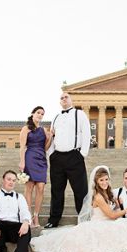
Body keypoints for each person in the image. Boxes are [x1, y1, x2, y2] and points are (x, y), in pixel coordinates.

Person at [30, 165, 127, 252]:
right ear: (96, 181)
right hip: (99, 224)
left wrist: (118, 205)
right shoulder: (98, 196)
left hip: (108, 223)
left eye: (106, 179)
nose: (104, 182)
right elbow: (111, 215)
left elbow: (113, 212)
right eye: (101, 180)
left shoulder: (108, 193)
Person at [45, 92, 91, 229]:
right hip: (57, 157)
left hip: (74, 156)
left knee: (80, 190)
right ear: (60, 102)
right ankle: (53, 219)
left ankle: (84, 218)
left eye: (66, 97)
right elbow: (52, 136)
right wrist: (51, 154)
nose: (64, 99)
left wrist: (82, 154)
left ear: (71, 100)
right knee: (56, 190)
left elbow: (87, 133)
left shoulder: (80, 114)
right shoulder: (56, 117)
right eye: (61, 98)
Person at [18, 106, 52, 228]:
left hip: (41, 159)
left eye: (42, 114)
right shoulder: (26, 129)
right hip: (30, 158)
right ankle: (28, 218)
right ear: (33, 114)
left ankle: (36, 216)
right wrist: (22, 162)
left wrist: (50, 137)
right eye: (38, 113)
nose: (40, 115)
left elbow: (46, 148)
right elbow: (22, 147)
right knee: (29, 188)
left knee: (41, 188)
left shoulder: (43, 130)